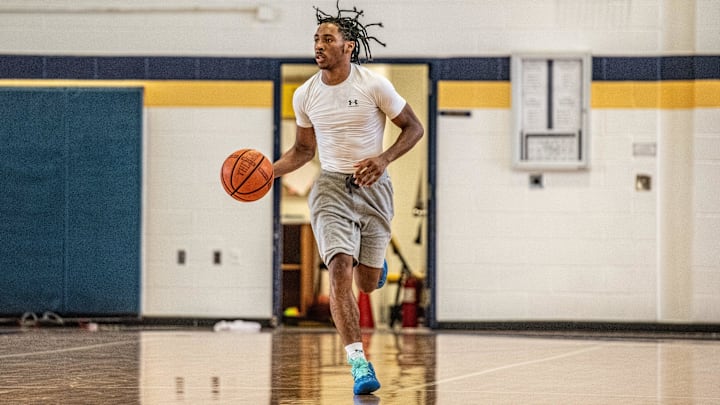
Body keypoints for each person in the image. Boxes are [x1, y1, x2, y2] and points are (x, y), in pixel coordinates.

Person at [273, 2, 424, 396]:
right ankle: (359, 362)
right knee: (339, 266)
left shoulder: (373, 85)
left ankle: (374, 267)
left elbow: (414, 127)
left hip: (375, 186)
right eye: (316, 40)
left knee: (367, 282)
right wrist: (266, 173)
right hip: (331, 187)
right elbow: (303, 151)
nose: (319, 46)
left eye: (328, 39)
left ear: (349, 46)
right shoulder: (305, 95)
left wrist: (384, 157)